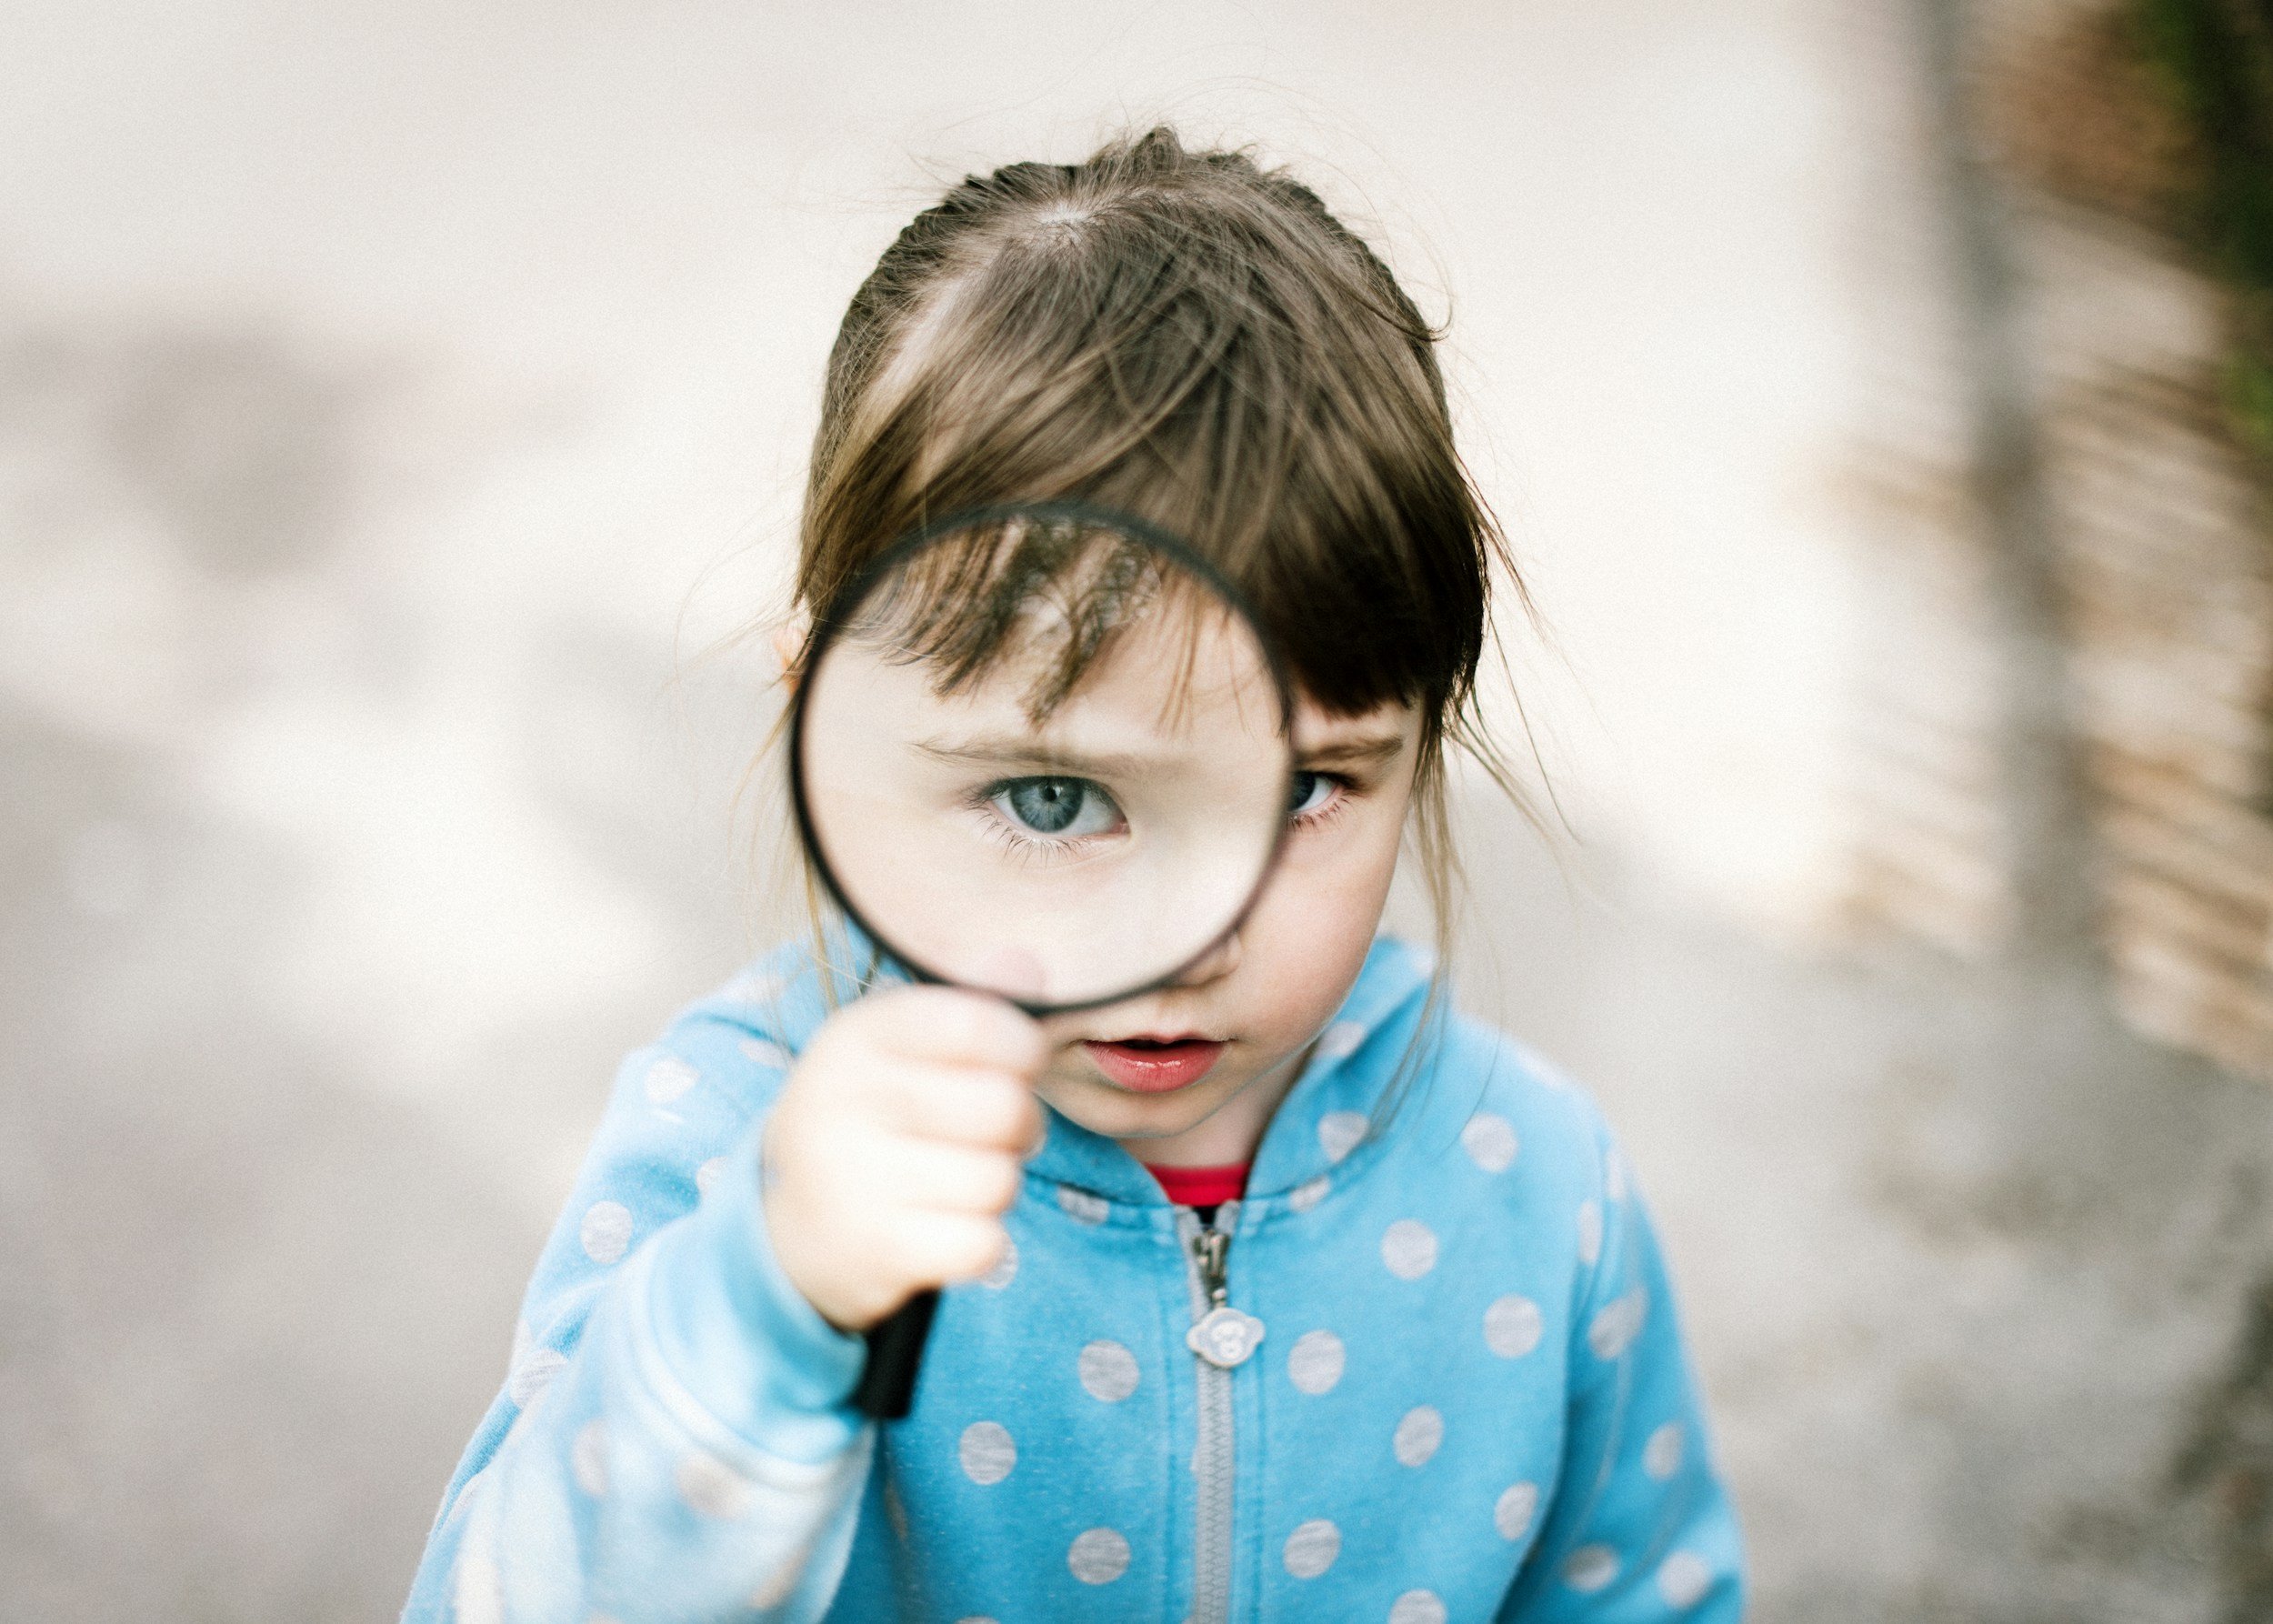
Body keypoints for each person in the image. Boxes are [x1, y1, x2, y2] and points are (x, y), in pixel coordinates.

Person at [404, 125, 1746, 1623]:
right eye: (1053, 798)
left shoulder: (1536, 1186)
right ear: (815, 716)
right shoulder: (735, 1148)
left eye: (1304, 789)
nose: (1182, 936)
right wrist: (757, 1327)